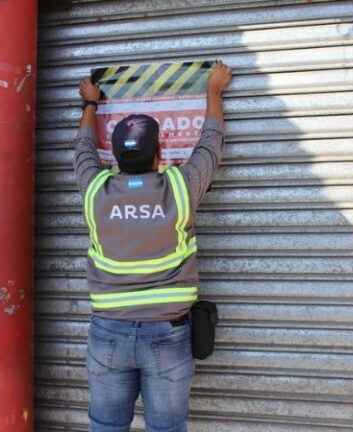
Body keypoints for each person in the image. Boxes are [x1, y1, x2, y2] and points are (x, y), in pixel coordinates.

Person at [73, 61, 232, 432]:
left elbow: (82, 150)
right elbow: (210, 144)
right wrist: (213, 91)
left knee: (106, 426)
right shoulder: (180, 187)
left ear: (113, 157)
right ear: (158, 154)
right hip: (168, 334)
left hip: (107, 332)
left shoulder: (94, 190)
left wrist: (90, 105)